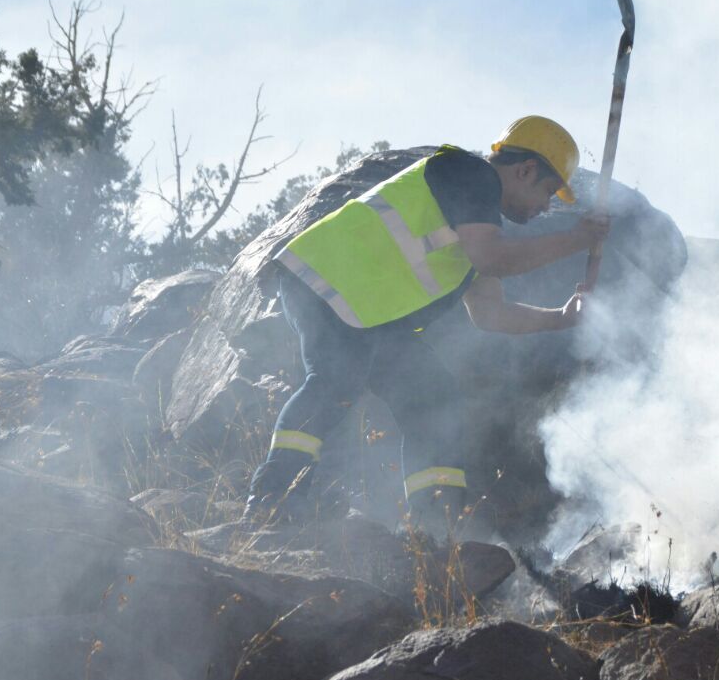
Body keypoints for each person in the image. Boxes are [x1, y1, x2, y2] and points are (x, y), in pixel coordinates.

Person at [244, 116, 610, 534]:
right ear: (525, 169)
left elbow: (491, 314)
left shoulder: (482, 222)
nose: (545, 206)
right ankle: (273, 502)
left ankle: (433, 530)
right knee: (335, 380)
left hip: (371, 315)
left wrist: (560, 319)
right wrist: (576, 239)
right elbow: (495, 259)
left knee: (433, 398)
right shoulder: (470, 175)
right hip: (327, 280)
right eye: (546, 191)